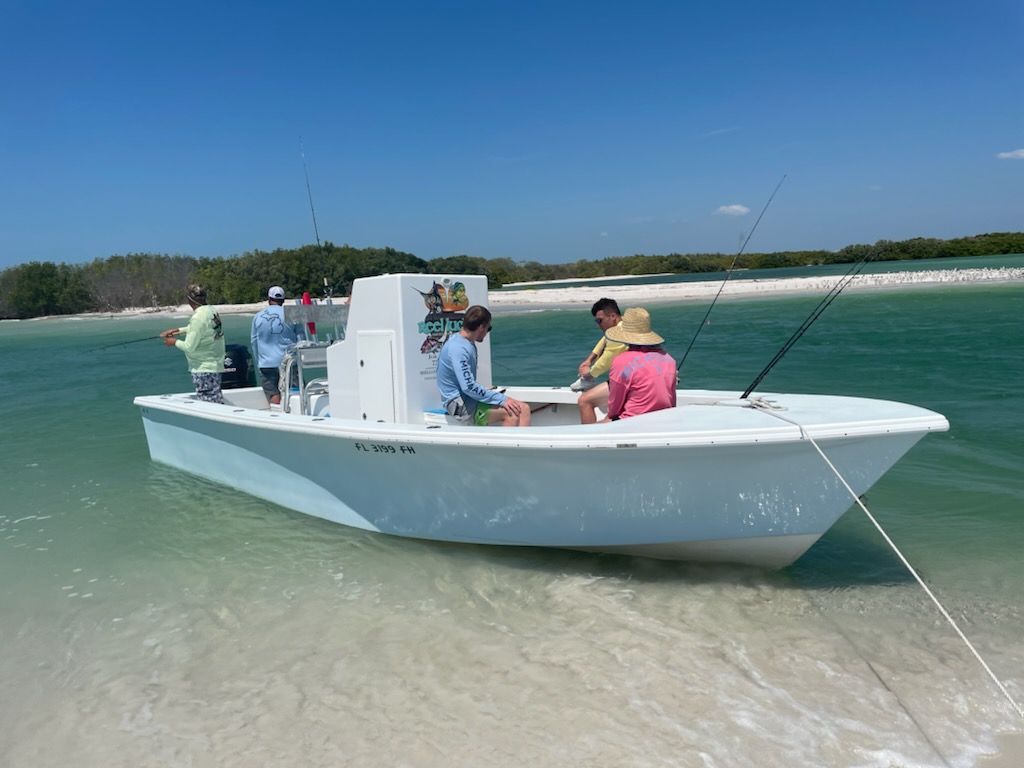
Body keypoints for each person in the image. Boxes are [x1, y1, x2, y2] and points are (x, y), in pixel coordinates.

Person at [436, 305, 531, 427]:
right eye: (488, 328)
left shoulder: (463, 341)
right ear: (481, 327)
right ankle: (509, 445)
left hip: (469, 399)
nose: (487, 333)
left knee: (524, 408)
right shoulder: (458, 349)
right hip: (460, 405)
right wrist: (503, 399)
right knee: (515, 412)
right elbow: (468, 387)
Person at [603, 307, 677, 421]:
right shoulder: (669, 360)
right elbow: (672, 403)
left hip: (631, 422)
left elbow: (614, 409)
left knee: (597, 425)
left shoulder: (621, 362)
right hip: (664, 420)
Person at [160, 284, 226, 403]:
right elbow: (202, 329)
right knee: (216, 400)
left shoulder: (198, 317)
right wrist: (178, 331)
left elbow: (189, 347)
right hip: (215, 366)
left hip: (203, 369)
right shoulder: (211, 310)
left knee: (209, 404)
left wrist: (173, 342)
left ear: (189, 300)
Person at [571, 297, 627, 424]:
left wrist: (589, 373)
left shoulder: (617, 333)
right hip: (640, 376)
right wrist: (589, 359)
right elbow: (605, 340)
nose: (598, 324)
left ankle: (588, 440)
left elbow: (607, 359)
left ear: (612, 316)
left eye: (599, 320)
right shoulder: (627, 325)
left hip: (629, 381)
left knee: (584, 401)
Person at [251, 285, 300, 404]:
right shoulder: (293, 314)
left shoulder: (258, 317)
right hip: (288, 361)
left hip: (267, 363)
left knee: (273, 393)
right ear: (283, 300)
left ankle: (277, 416)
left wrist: (259, 361)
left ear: (269, 299)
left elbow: (254, 342)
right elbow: (301, 340)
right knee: (293, 392)